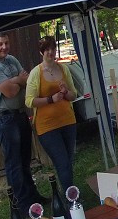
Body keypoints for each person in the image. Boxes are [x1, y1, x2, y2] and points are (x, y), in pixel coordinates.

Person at [0, 33, 42, 210]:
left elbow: (29, 80)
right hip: (5, 120)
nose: (4, 47)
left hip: (20, 114)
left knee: (25, 160)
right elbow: (10, 92)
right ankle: (23, 204)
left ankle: (33, 197)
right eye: (0, 44)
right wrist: (18, 80)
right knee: (14, 163)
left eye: (7, 43)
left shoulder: (11, 60)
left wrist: (18, 82)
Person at [25, 36, 80, 191]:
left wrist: (65, 92)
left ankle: (69, 192)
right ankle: (71, 198)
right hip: (47, 126)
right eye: (47, 49)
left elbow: (73, 95)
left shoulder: (63, 69)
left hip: (68, 121)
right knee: (62, 162)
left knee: (68, 161)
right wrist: (51, 99)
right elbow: (29, 101)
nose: (50, 52)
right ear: (41, 52)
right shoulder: (36, 72)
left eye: (52, 48)